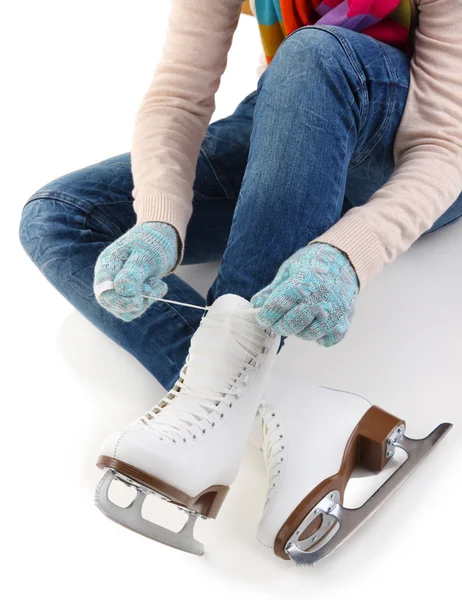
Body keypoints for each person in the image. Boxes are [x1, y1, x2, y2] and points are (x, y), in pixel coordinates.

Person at [19, 0, 462, 561]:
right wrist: (158, 220)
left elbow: (444, 146)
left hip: (416, 143)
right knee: (60, 215)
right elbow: (178, 97)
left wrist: (349, 254)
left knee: (310, 54)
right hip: (299, 108)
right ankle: (296, 414)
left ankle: (213, 401)